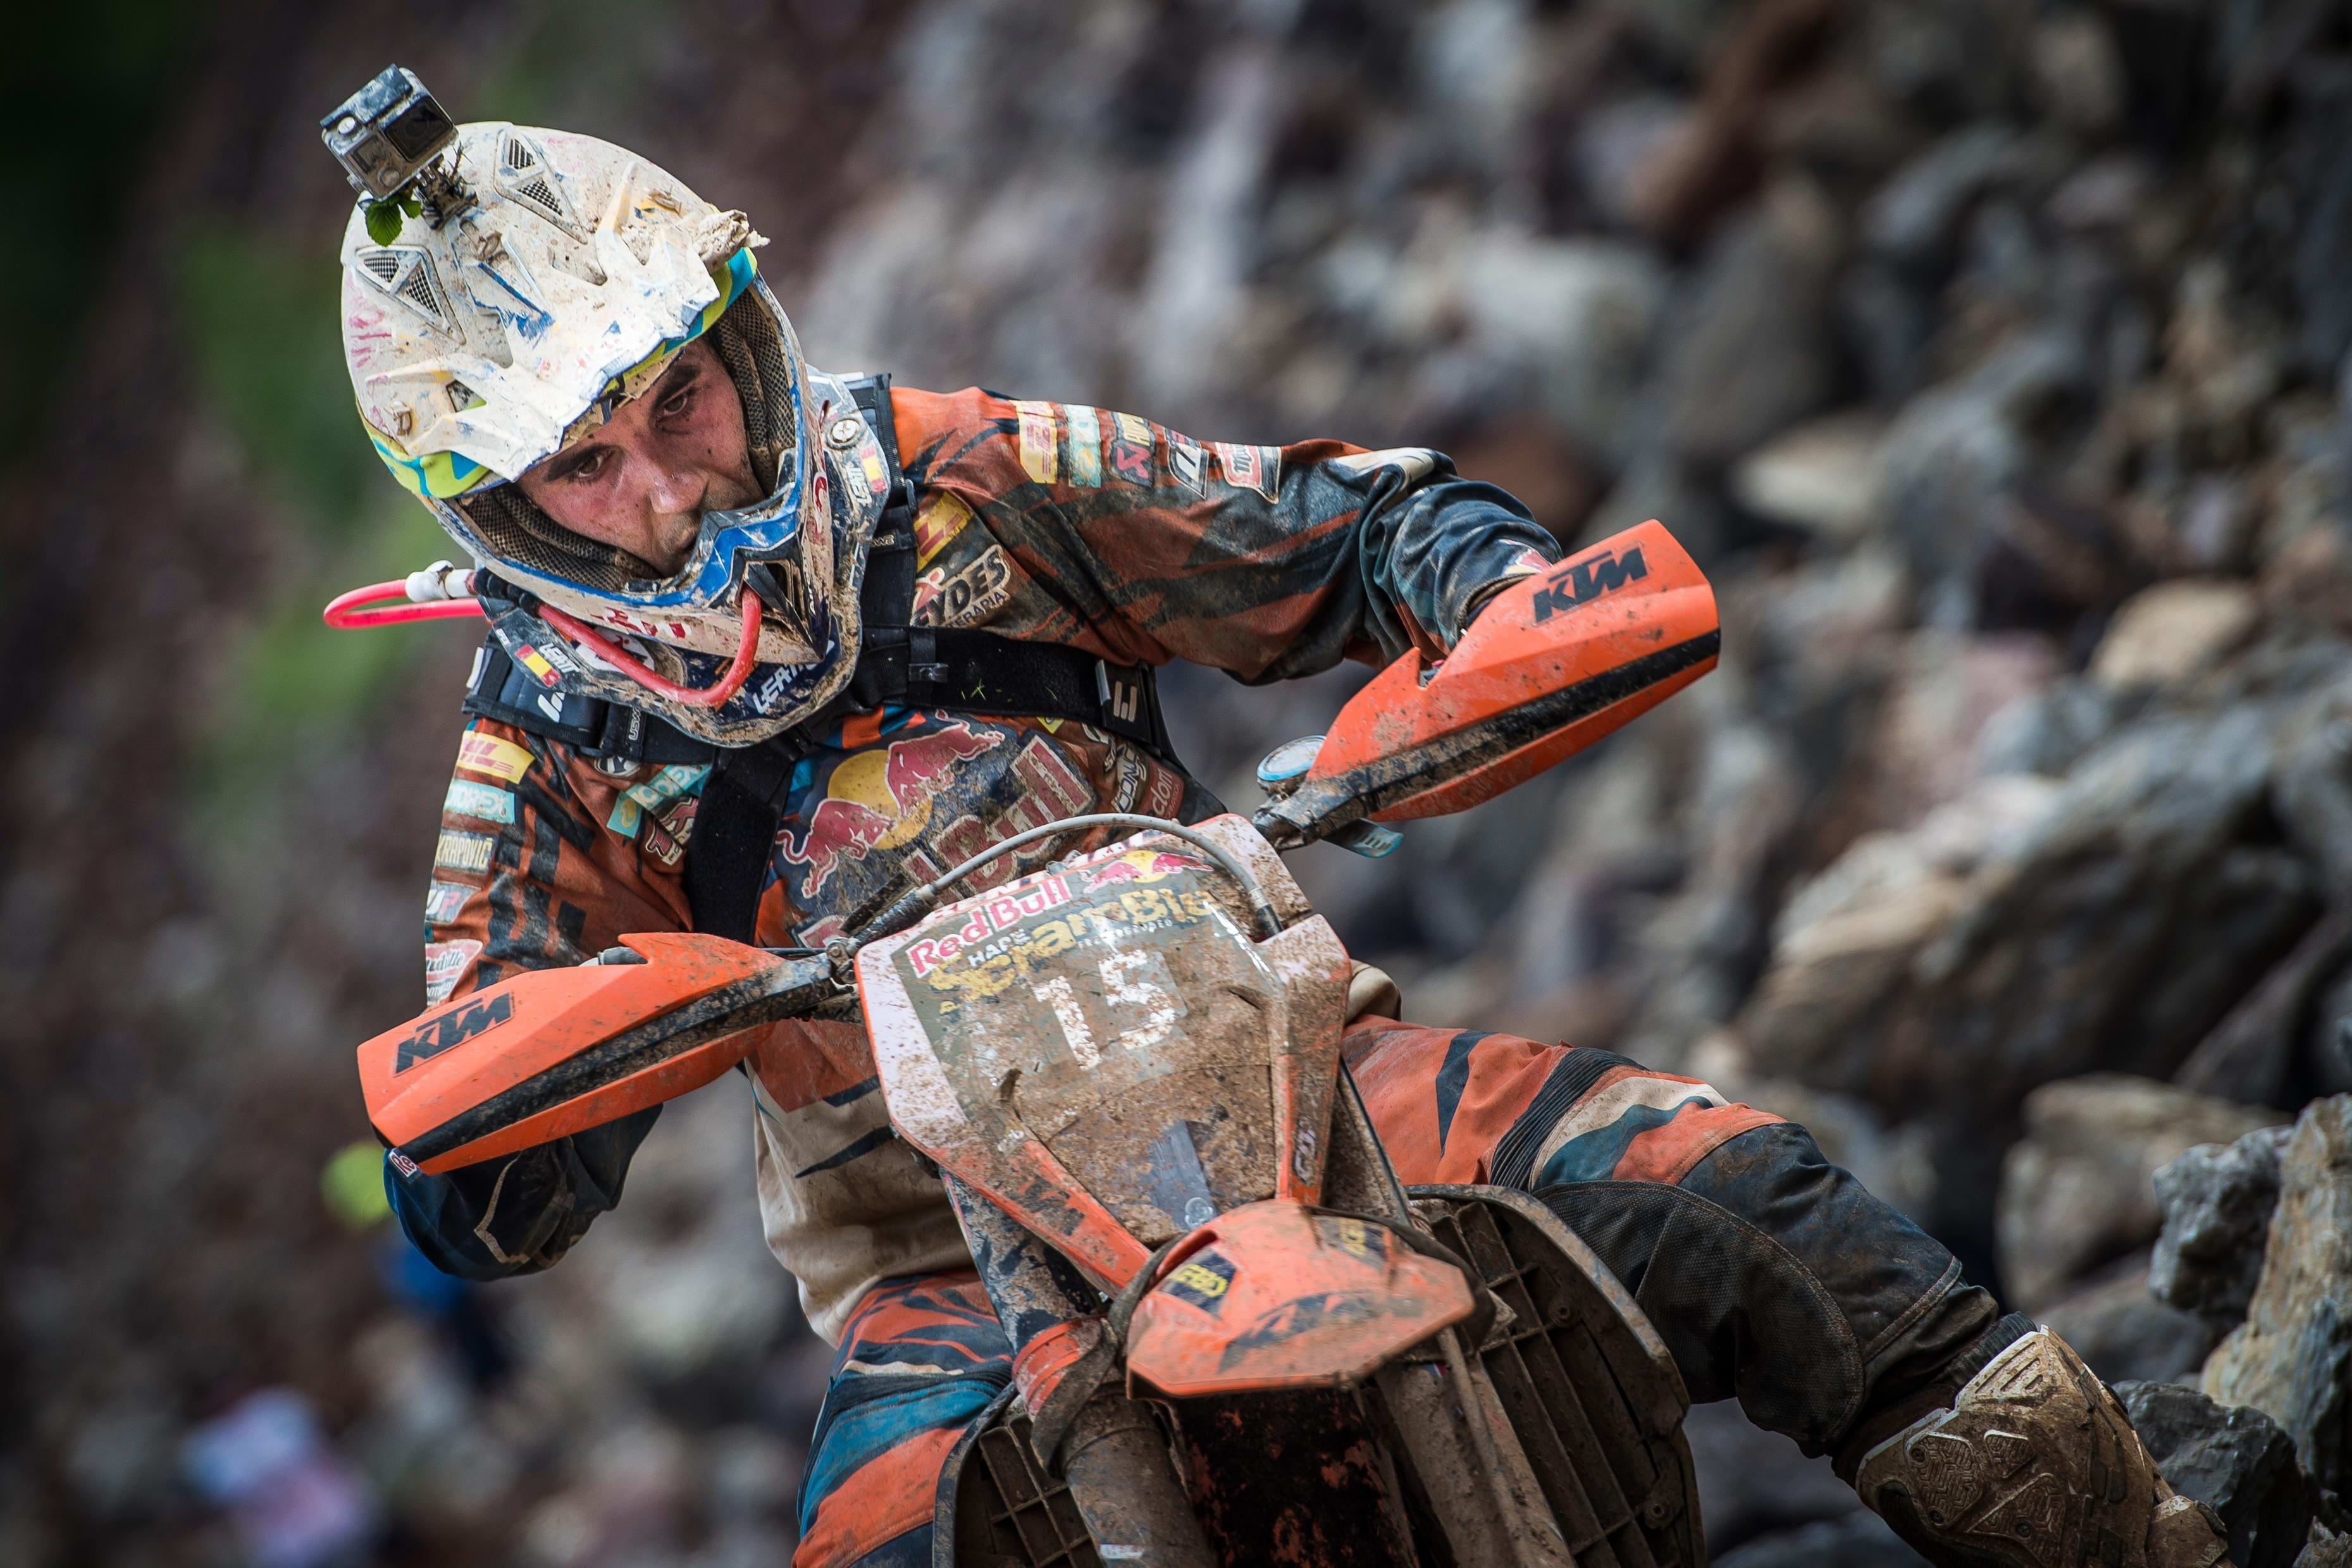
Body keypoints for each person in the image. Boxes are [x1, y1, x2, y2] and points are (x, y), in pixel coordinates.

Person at [337, 107, 2232, 1568]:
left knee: (1763, 1211)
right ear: (500, 513)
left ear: (740, 345)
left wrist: (1491, 590)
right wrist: (510, 1121)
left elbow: (1342, 521)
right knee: (886, 1543)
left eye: (676, 400)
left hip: (1303, 1076)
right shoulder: (538, 752)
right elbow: (477, 1164)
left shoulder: (961, 466)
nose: (669, 490)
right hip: (940, 1249)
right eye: (585, 466)